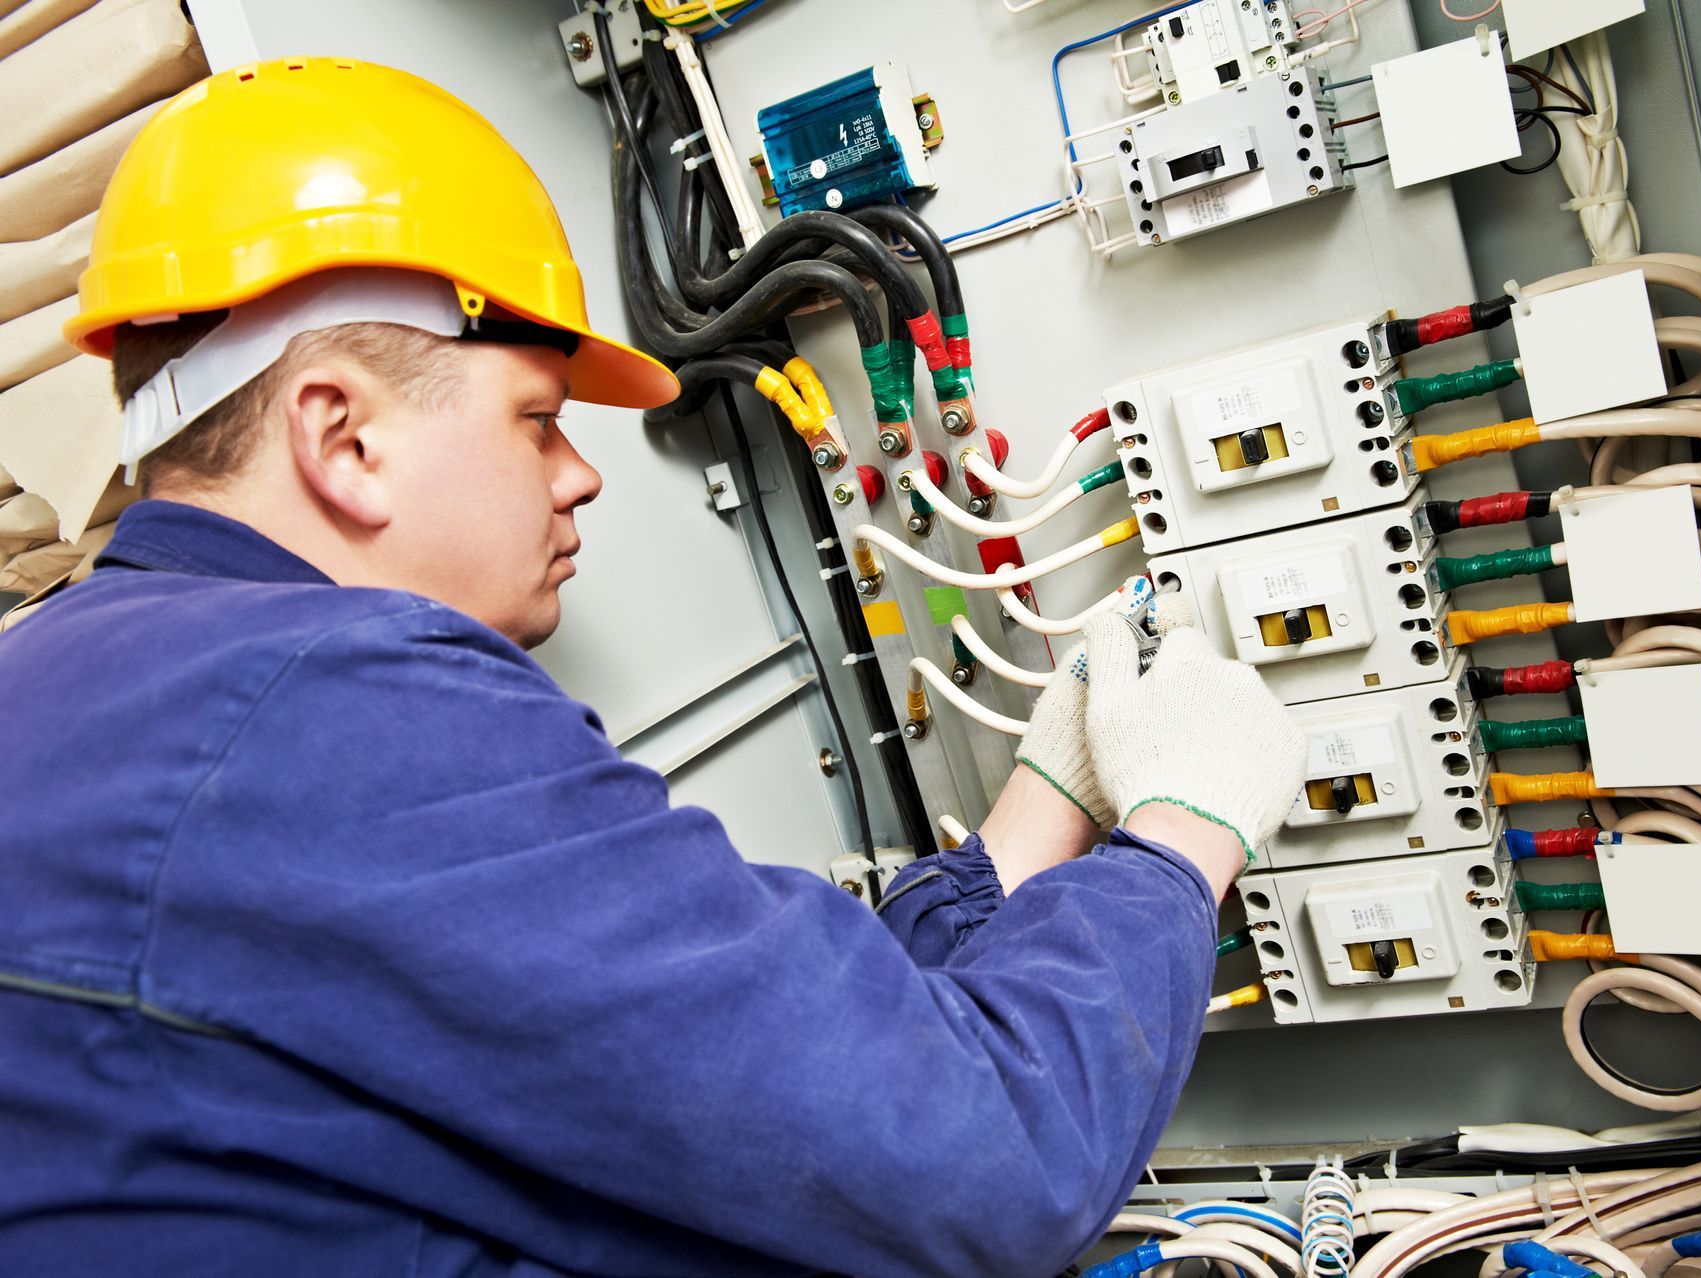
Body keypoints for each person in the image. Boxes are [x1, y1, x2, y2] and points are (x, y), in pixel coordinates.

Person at [0, 58, 1305, 1278]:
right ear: (342, 436)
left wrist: (1035, 823)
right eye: (538, 418)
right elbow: (991, 1159)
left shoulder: (72, 683)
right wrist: (1180, 837)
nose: (581, 473)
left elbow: (728, 1055)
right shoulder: (337, 708)